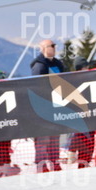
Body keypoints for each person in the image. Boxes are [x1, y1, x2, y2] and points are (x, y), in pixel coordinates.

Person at [30, 39, 65, 172]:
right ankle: (42, 165)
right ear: (43, 48)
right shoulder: (39, 65)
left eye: (55, 45)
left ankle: (55, 162)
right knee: (43, 137)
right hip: (43, 106)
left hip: (57, 104)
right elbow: (36, 86)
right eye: (52, 46)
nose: (54, 48)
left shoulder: (58, 63)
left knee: (55, 136)